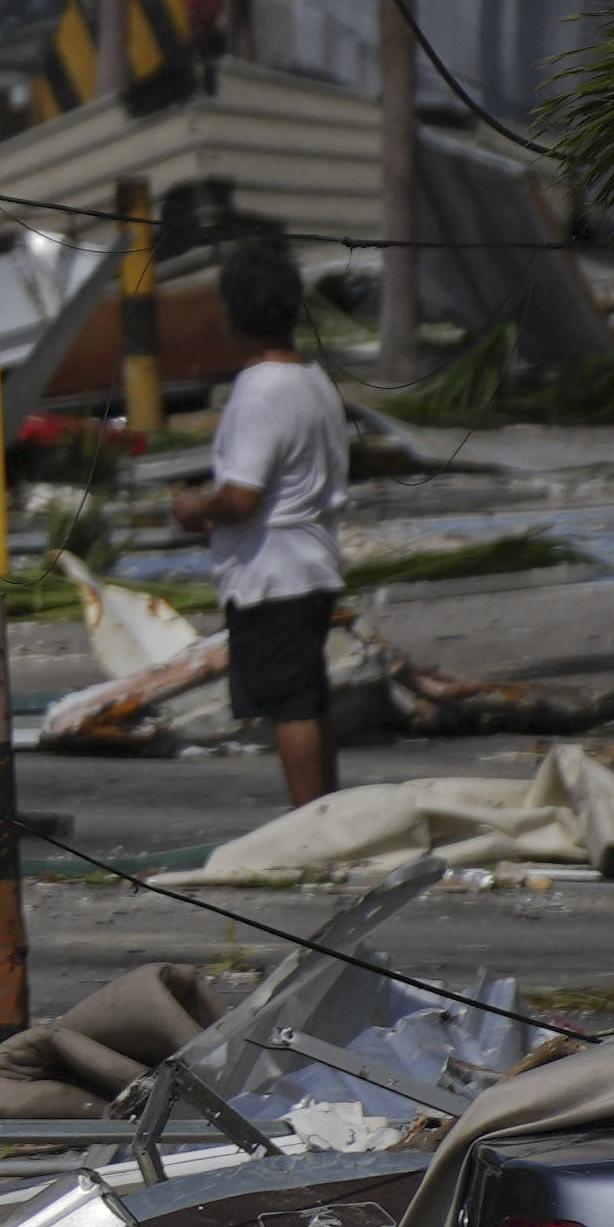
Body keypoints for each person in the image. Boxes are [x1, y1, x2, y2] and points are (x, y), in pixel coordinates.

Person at [179, 239, 354, 809]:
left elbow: (241, 497)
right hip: (313, 560)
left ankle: (309, 819)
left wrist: (193, 507)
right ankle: (325, 812)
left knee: (289, 703)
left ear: (232, 316)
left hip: (273, 572)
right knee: (307, 694)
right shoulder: (313, 379)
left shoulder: (259, 391)